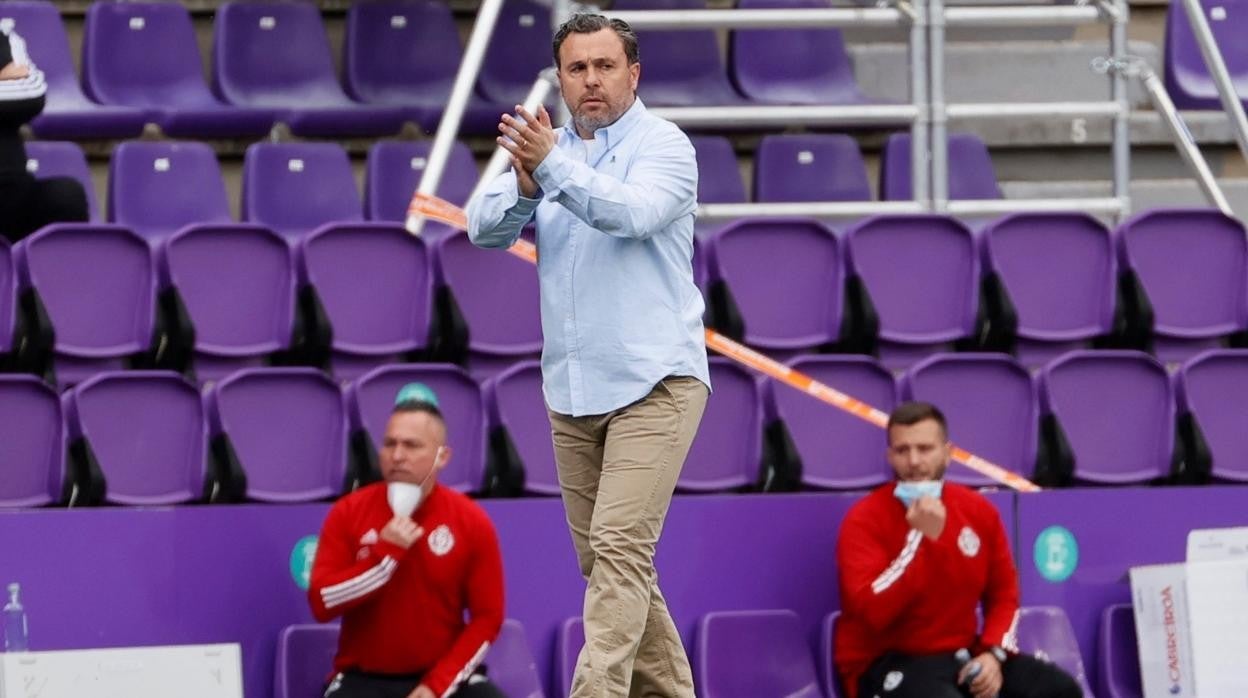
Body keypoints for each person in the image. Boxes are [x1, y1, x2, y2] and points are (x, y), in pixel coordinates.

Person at [466, 13, 710, 698]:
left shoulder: (666, 146)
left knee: (620, 550)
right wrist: (526, 180)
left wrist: (551, 167)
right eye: (578, 69)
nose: (592, 81)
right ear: (561, 78)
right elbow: (482, 227)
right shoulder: (546, 150)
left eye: (605, 66)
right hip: (572, 389)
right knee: (608, 563)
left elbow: (629, 214)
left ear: (633, 74)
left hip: (656, 381)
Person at [835, 401, 1083, 698]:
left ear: (948, 453)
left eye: (925, 449)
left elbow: (1005, 593)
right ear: (890, 456)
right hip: (884, 661)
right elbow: (873, 612)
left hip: (960, 654)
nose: (913, 461)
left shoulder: (978, 512)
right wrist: (921, 539)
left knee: (1057, 690)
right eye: (902, 451)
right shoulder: (864, 519)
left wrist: (994, 654)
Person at [308, 389, 506, 698]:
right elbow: (321, 602)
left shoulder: (471, 521)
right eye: (389, 444)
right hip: (362, 679)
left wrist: (436, 687)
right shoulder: (348, 512)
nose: (397, 455)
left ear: (442, 456)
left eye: (411, 445)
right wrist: (384, 558)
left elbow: (487, 618)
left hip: (439, 677)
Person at [0, 22, 88, 243]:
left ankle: (60, 277)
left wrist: (13, 85)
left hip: (12, 191)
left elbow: (30, 94)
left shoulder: (4, 35)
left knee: (66, 196)